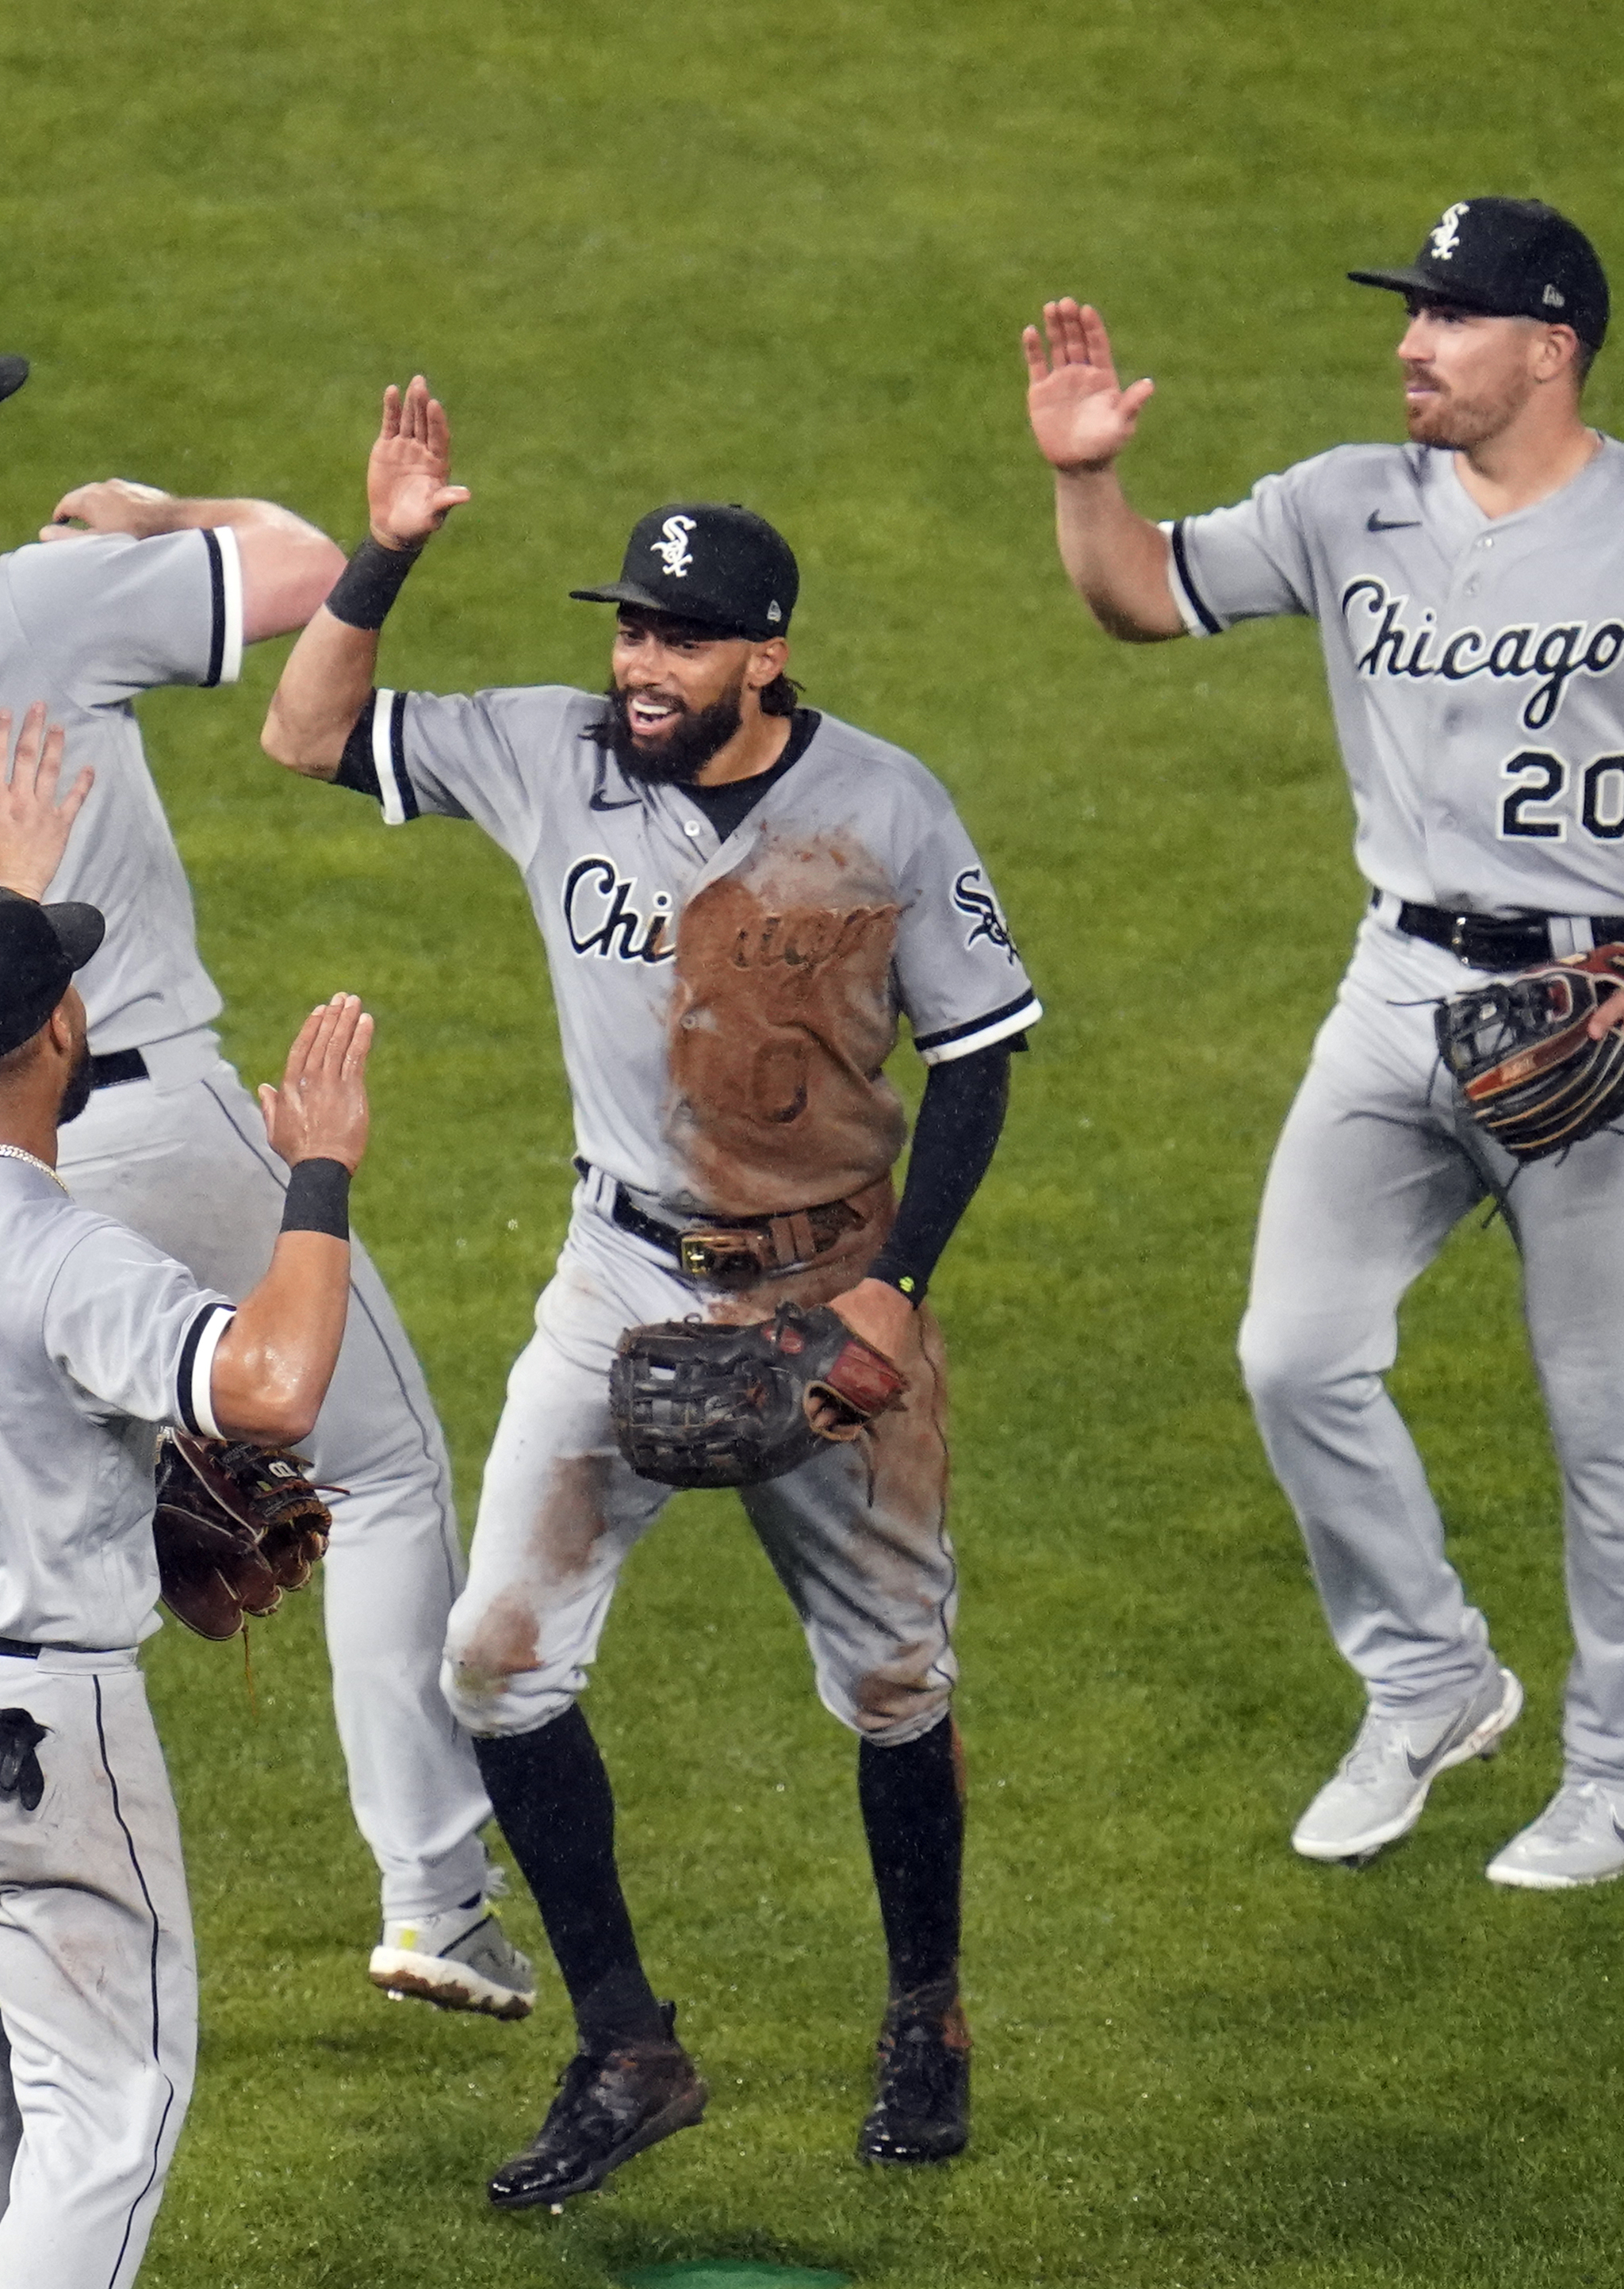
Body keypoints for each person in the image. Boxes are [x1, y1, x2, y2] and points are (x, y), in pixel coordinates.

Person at [261, 380, 1038, 2201]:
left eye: (681, 637)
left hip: (830, 1278)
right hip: (619, 1276)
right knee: (494, 1663)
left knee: (893, 1682)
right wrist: (381, 550)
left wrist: (897, 1295)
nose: (643, 662)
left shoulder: (885, 810)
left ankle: (926, 2011)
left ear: (764, 656)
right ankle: (627, 2045)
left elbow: (982, 1055)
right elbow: (308, 737)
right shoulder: (549, 753)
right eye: (629, 625)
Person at [0, 315, 530, 2014]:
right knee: (373, 1473)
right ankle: (432, 1902)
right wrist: (153, 514)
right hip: (146, 1109)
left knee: (68, 1551)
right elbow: (314, 562)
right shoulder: (30, 596)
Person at [1021, 200, 1624, 1888]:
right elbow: (1139, 598)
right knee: (1292, 1353)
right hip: (1396, 992)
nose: (1410, 340)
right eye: (1409, 309)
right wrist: (1084, 475)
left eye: (1450, 316)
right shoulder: (1345, 501)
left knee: (1602, 1407)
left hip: (1607, 1013)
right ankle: (1430, 1677)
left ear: (1550, 346)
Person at [0, 881, 373, 2287]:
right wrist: (321, 1171)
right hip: (23, 1724)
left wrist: (65, 1479)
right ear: (58, 1029)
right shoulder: (69, 1251)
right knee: (107, 2106)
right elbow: (272, 1388)